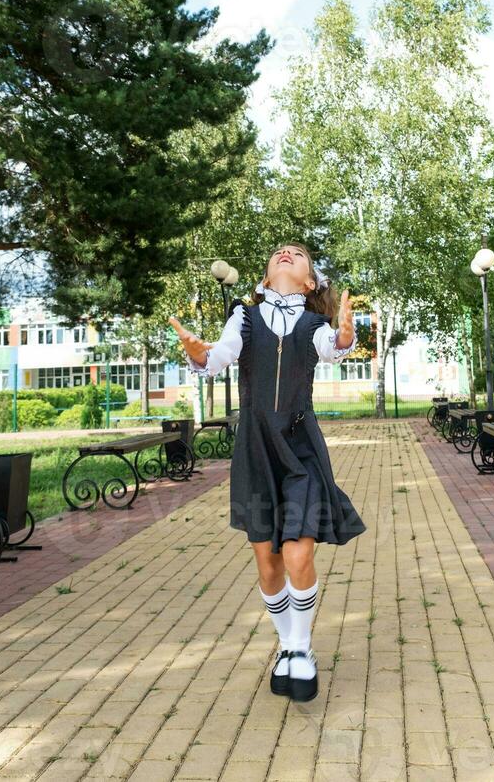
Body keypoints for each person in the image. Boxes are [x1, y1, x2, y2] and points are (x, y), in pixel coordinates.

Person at [169, 242, 367, 703]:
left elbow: (332, 347)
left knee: (299, 553)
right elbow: (220, 356)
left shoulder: (315, 323)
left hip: (300, 449)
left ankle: (299, 649)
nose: (286, 253)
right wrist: (199, 354)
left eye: (297, 254)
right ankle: (287, 644)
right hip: (255, 450)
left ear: (310, 281)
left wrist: (344, 335)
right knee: (268, 564)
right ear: (265, 273)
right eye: (279, 251)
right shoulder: (245, 318)